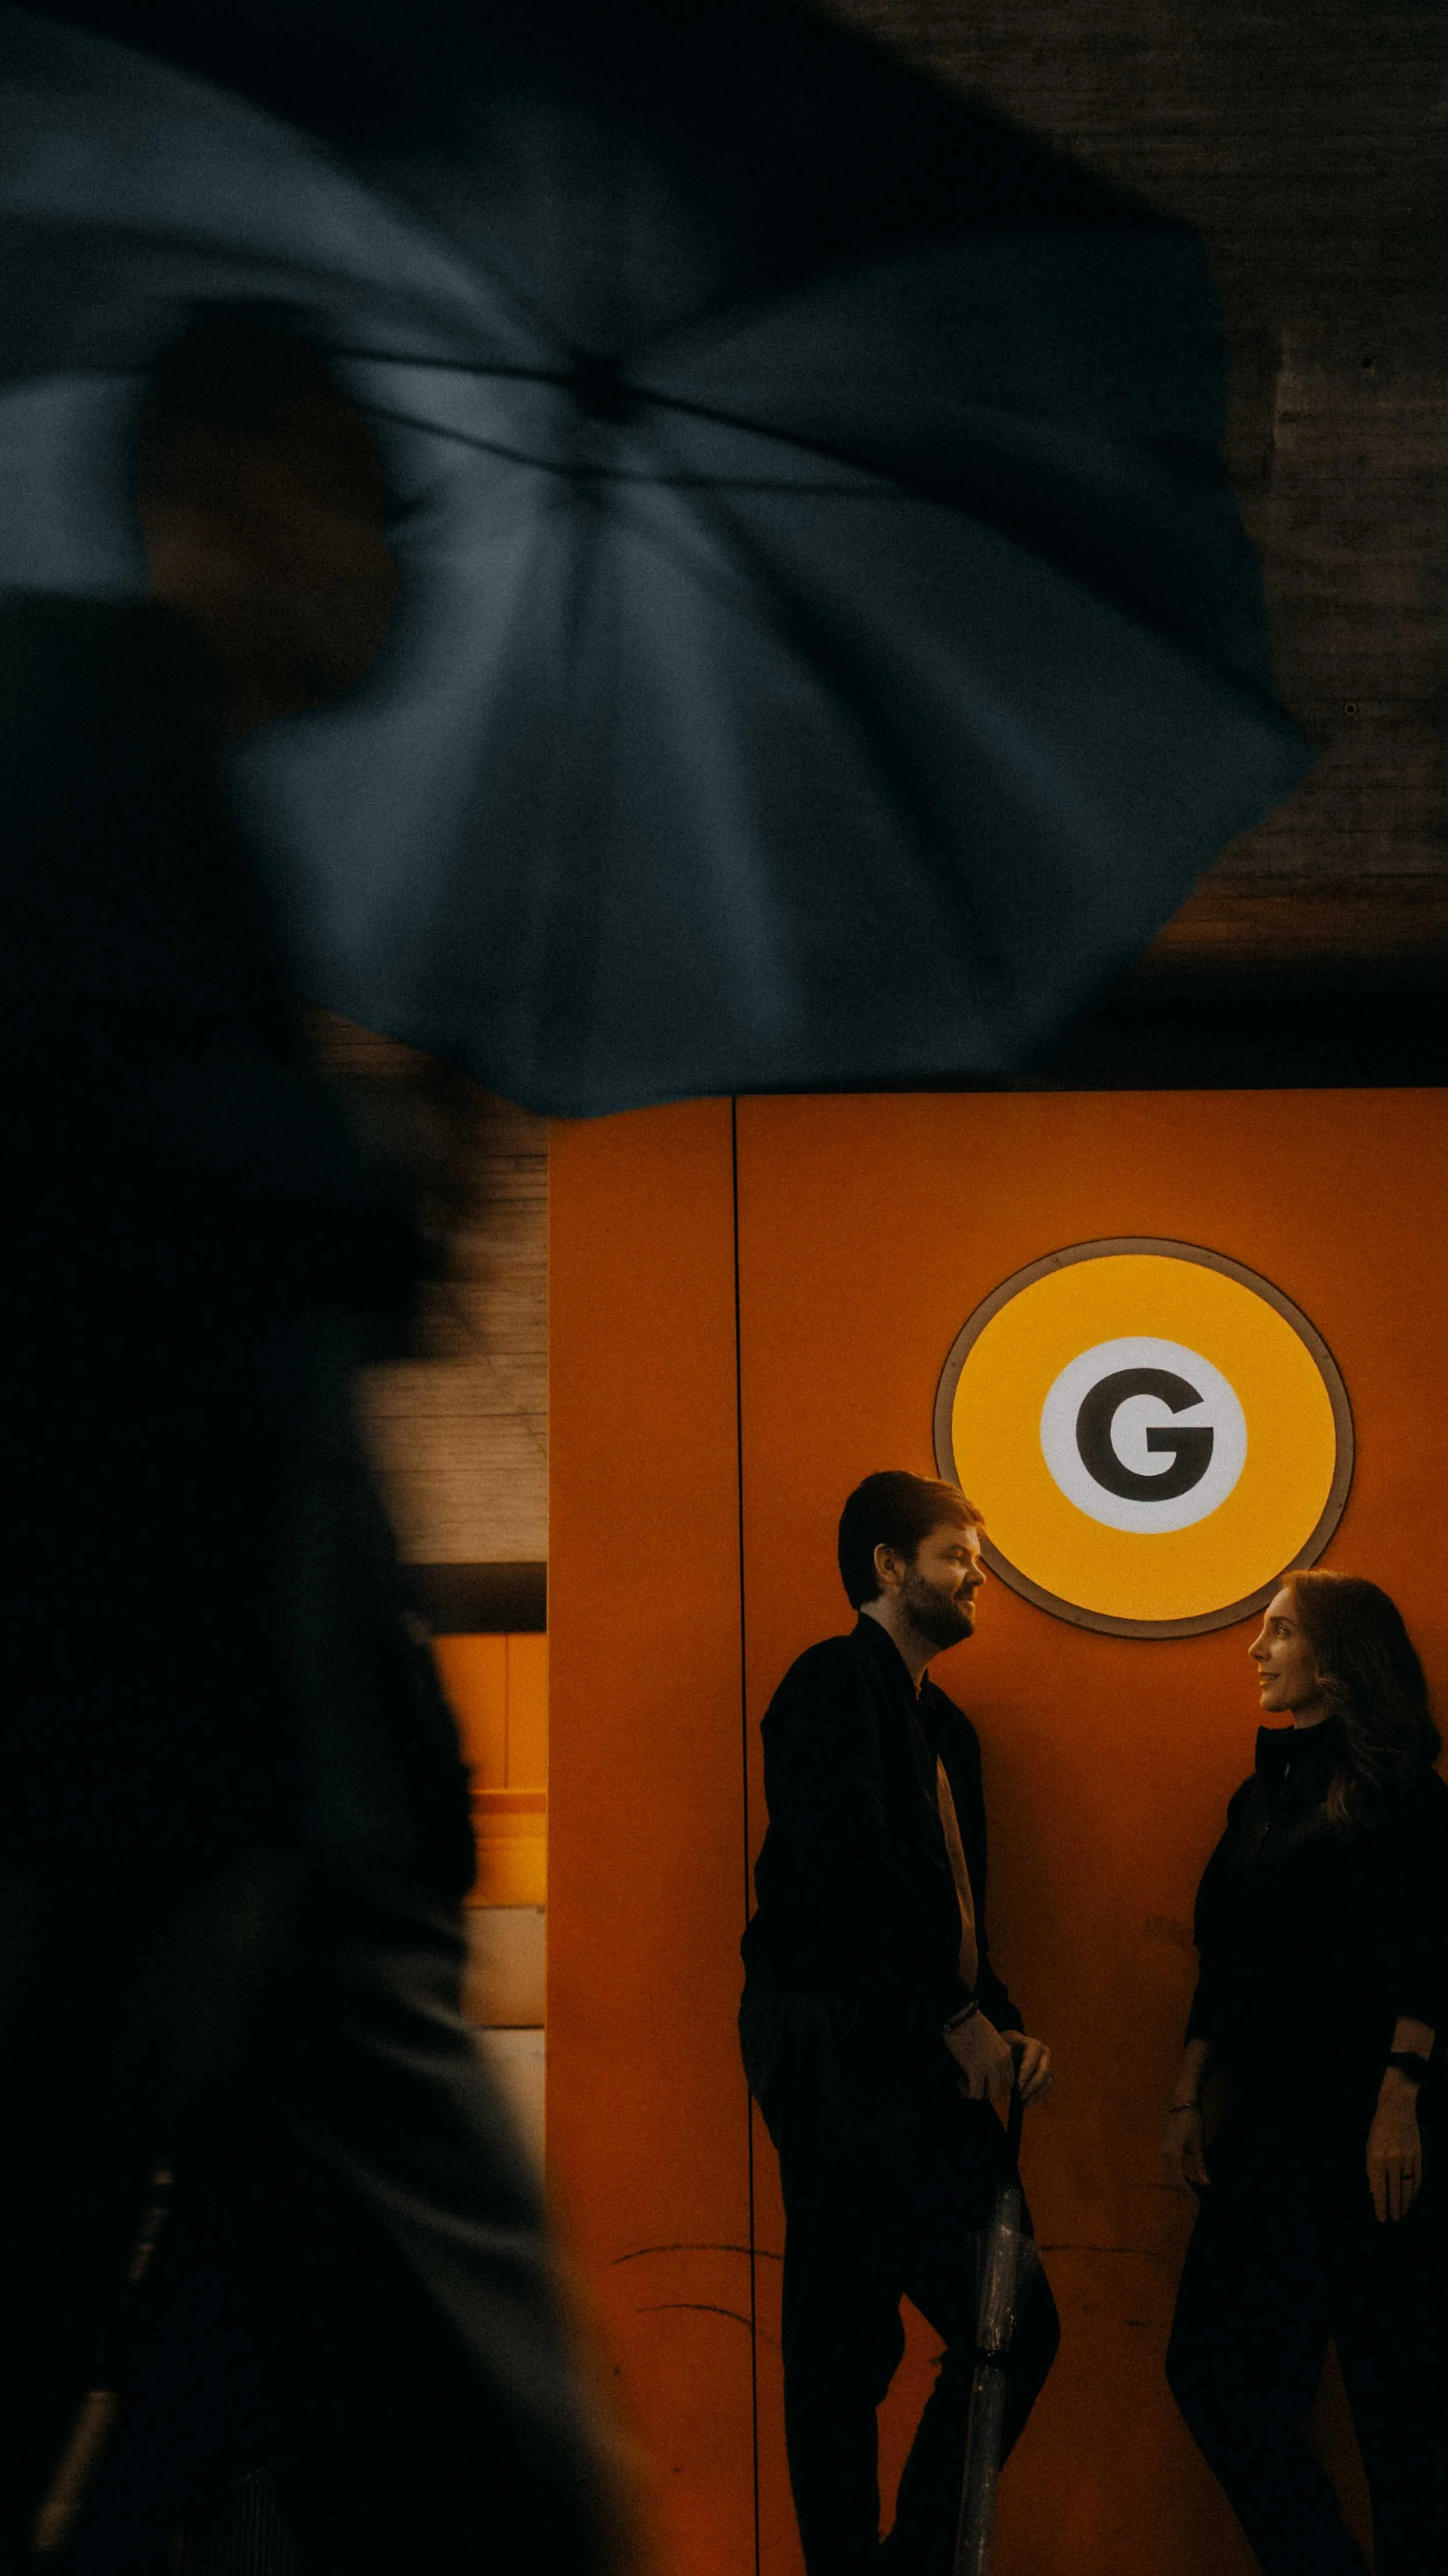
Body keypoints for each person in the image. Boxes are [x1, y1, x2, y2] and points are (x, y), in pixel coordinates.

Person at [0, 320, 623, 2574]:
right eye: (369, 494)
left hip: (259, 1782)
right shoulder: (57, 724)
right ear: (234, 488)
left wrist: (385, 1186)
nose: (401, 559)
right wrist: (364, 1153)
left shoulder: (158, 778)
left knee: (455, 2440)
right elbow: (80, 1159)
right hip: (135, 1745)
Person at [738, 1471, 1059, 2576]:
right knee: (844, 2338)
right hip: (834, 2026)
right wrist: (959, 2012)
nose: (977, 1578)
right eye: (956, 1557)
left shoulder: (945, 1727)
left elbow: (951, 1904)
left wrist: (999, 2021)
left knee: (1013, 2319)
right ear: (887, 1566)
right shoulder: (832, 1681)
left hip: (919, 2036)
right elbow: (844, 1870)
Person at [1162, 1569, 1448, 2576]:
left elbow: (1432, 1947)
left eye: (1278, 1630)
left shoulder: (1403, 1789)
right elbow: (1224, 1957)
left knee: (1400, 2407)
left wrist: (1402, 2096)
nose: (1255, 1649)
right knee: (1213, 2372)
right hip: (1271, 2127)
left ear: (1335, 1656)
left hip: (1374, 2130)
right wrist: (1192, 2089)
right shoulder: (1262, 1792)